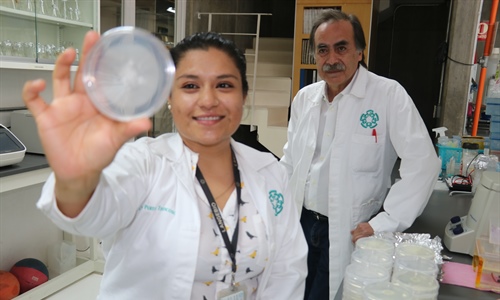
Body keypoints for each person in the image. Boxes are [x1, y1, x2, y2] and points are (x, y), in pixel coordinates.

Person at [23, 30, 308, 299]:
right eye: (190, 86)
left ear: (243, 96)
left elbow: (288, 271)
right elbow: (93, 214)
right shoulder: (145, 162)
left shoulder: (270, 171)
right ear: (169, 98)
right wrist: (76, 178)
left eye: (224, 85)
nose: (208, 100)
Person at [279, 9, 441, 300]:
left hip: (349, 229)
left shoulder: (388, 95)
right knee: (290, 291)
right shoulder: (305, 99)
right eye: (323, 50)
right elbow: (290, 161)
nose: (331, 59)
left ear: (359, 52)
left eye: (341, 47)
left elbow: (423, 164)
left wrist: (385, 222)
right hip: (301, 224)